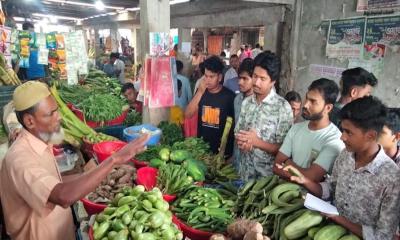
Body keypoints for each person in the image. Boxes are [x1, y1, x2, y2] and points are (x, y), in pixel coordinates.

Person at [0, 81, 149, 239]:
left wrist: (103, 175)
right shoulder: (20, 159)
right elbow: (63, 196)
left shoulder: (41, 142)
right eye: (51, 113)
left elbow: (55, 182)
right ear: (30, 121)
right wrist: (113, 160)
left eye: (57, 110)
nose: (59, 117)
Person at [284, 96, 400, 240]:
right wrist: (307, 182)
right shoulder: (346, 155)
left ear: (370, 136)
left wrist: (339, 219)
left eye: (349, 132)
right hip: (328, 232)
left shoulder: (392, 178)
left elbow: (384, 236)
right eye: (342, 130)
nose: (342, 137)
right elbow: (331, 188)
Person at [234, 51, 293, 180]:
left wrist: (256, 142)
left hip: (267, 181)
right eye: (255, 76)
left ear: (273, 81)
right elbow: (238, 132)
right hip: (245, 175)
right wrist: (243, 141)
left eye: (262, 79)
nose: (256, 83)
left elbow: (284, 150)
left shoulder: (282, 108)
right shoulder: (247, 102)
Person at [274, 78, 345, 182]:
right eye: (307, 98)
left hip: (308, 197)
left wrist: (289, 163)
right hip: (283, 192)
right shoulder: (296, 128)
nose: (306, 105)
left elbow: (311, 178)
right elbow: (276, 166)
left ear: (328, 108)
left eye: (313, 101)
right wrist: (301, 173)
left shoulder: (334, 140)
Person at [185, 56, 235, 156]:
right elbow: (188, 114)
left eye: (211, 77)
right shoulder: (201, 92)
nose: (207, 80)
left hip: (222, 153)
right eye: (206, 76)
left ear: (220, 77)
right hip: (202, 150)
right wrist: (200, 92)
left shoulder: (230, 97)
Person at [232, 58, 255, 171]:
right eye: (239, 78)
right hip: (236, 160)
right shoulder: (237, 99)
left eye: (245, 79)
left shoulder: (260, 103)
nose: (239, 82)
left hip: (252, 164)